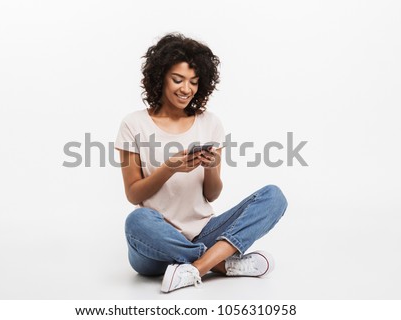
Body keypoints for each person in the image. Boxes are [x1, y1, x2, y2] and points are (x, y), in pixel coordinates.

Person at [114, 33, 287, 293]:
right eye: (178, 79)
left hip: (203, 230)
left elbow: (212, 194)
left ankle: (195, 267)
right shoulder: (133, 124)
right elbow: (133, 193)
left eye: (194, 82)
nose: (186, 89)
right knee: (137, 220)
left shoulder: (210, 123)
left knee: (274, 197)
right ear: (160, 77)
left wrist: (210, 167)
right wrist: (169, 168)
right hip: (153, 245)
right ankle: (221, 264)